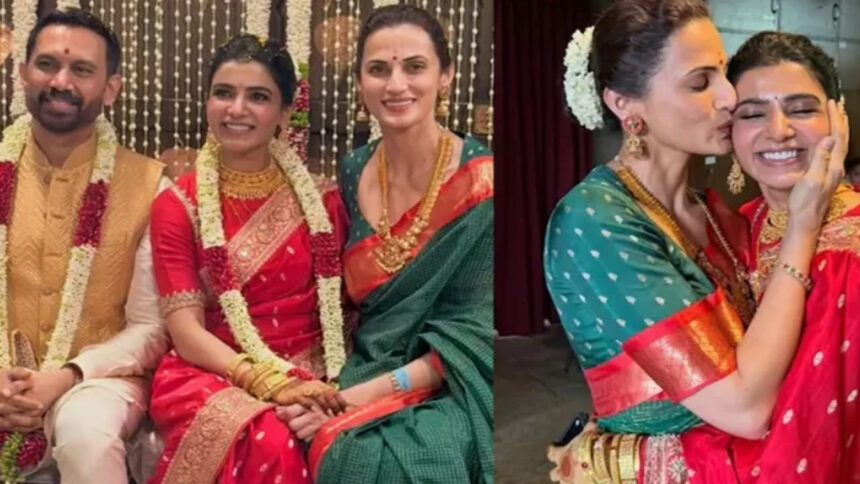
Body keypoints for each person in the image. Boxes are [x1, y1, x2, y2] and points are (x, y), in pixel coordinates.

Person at [543, 0, 846, 482]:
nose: (729, 96)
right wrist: (803, 225)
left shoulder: (718, 213)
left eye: (723, 73)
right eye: (700, 82)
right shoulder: (596, 219)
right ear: (625, 104)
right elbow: (745, 409)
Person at [303, 5, 494, 483]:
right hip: (368, 362)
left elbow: (474, 335)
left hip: (454, 378)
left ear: (445, 76)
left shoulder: (483, 184)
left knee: (411, 455)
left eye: (414, 66)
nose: (395, 85)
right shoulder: (354, 170)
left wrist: (358, 398)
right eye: (378, 69)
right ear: (360, 82)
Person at [147, 35, 348, 484]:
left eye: (258, 96)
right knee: (271, 441)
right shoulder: (179, 205)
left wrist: (327, 389)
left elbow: (345, 313)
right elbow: (186, 332)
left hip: (316, 368)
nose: (236, 109)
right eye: (224, 92)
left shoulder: (323, 201)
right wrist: (272, 385)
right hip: (214, 368)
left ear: (284, 112)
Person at [0, 8, 168, 484]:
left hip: (97, 381)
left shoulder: (150, 187)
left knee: (86, 434)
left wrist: (69, 374)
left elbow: (151, 325)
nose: (61, 81)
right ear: (23, 73)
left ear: (110, 88)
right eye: (47, 64)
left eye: (81, 69)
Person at [727, 31, 860, 482]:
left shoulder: (849, 253)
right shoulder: (738, 224)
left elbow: (800, 446)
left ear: (838, 118)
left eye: (802, 109)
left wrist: (629, 456)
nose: (779, 130)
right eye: (752, 114)